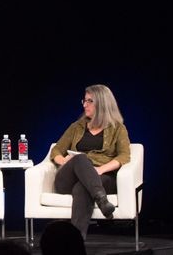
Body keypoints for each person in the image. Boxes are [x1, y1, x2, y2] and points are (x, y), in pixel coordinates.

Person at [49, 84, 130, 240]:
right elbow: (56, 151)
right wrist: (64, 161)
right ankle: (102, 199)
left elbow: (124, 156)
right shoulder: (76, 127)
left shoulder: (118, 129)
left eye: (90, 101)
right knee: (80, 158)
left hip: (102, 177)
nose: (85, 105)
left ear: (102, 103)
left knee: (82, 188)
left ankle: (76, 240)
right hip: (69, 179)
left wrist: (100, 169)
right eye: (84, 101)